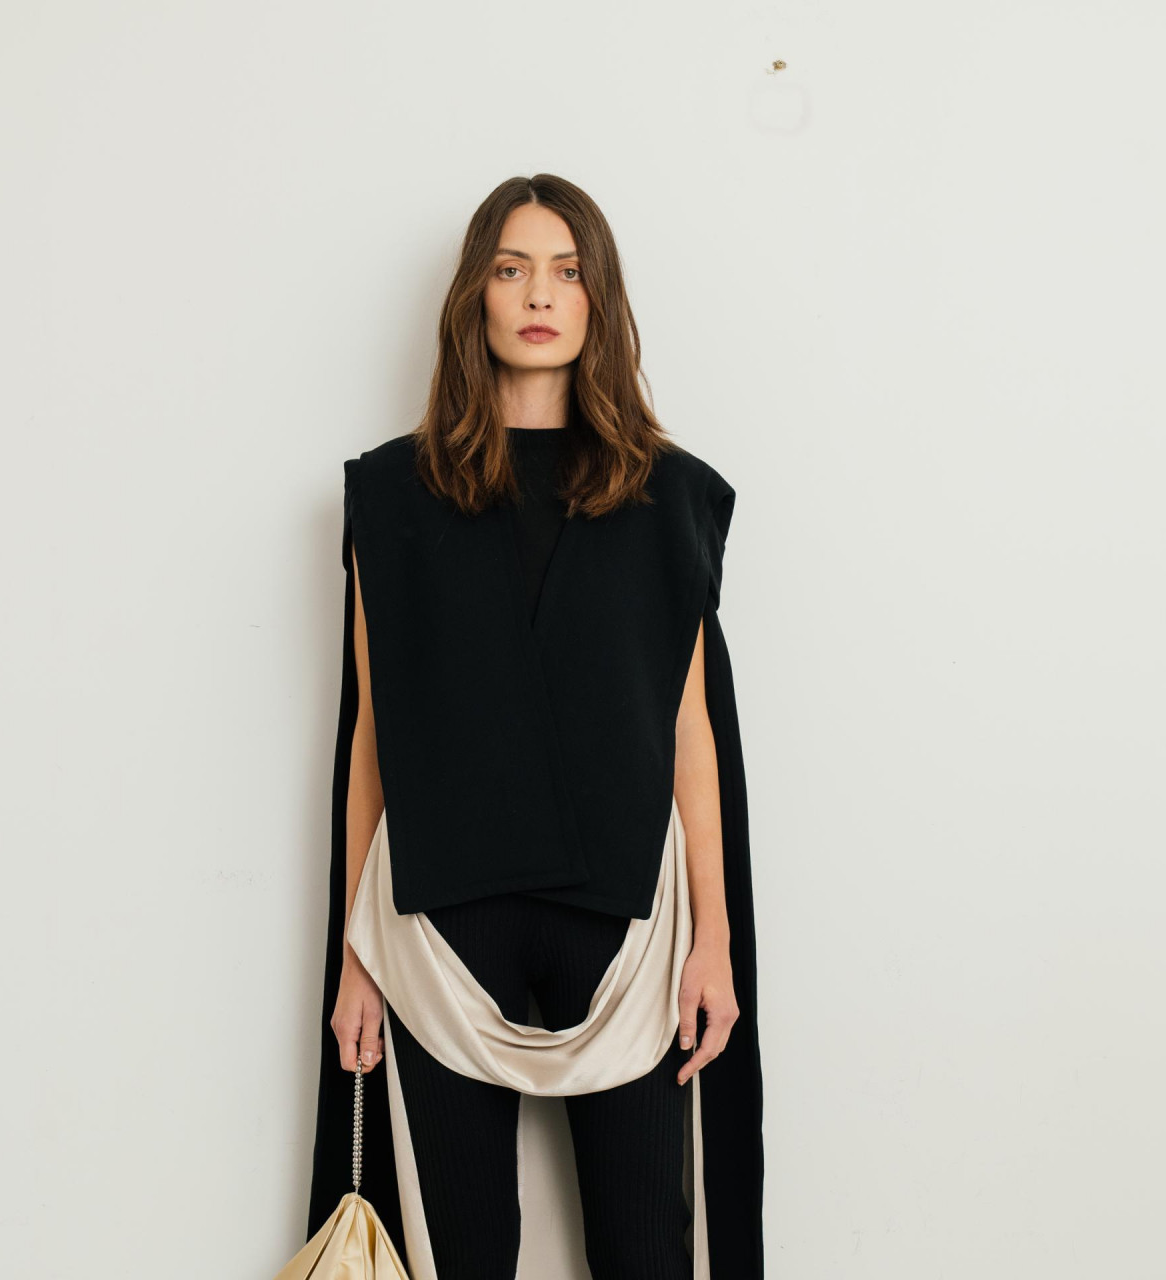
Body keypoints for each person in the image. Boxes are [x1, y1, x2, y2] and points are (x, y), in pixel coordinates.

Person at [307, 174, 764, 1280]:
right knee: (458, 1262)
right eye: (511, 269)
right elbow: (372, 734)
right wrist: (355, 958)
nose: (538, 295)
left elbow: (690, 731)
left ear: (599, 297)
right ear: (476, 294)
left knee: (649, 1254)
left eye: (565, 270)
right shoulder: (392, 497)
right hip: (438, 935)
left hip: (630, 935)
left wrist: (711, 939)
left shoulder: (668, 495)